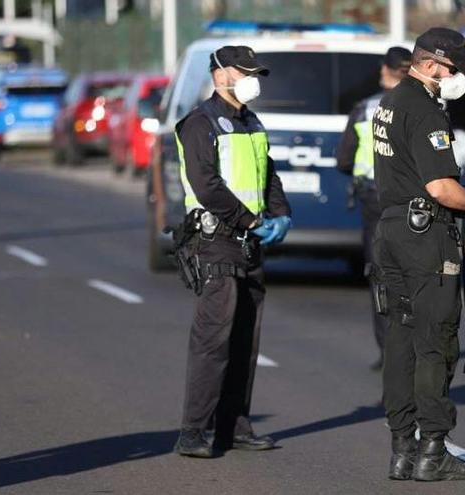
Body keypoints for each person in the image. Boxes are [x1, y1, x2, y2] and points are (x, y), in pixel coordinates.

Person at [371, 27, 465, 481]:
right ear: (430, 65)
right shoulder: (425, 110)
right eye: (453, 70)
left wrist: (464, 193)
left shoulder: (388, 103)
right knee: (435, 343)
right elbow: (441, 188)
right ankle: (433, 450)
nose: (457, 78)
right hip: (424, 238)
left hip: (391, 228)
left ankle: (402, 450)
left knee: (401, 340)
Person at [173, 45, 292, 458]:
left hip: (249, 243)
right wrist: (252, 221)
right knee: (213, 339)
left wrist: (281, 212)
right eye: (244, 71)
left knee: (245, 339)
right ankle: (193, 430)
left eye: (254, 71)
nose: (250, 79)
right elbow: (206, 185)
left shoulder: (251, 120)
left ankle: (234, 426)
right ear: (220, 73)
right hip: (216, 240)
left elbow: (267, 171)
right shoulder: (199, 123)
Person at [337, 46, 412, 371]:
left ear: (385, 71)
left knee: (381, 278)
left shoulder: (365, 109)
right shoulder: (425, 108)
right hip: (413, 205)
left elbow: (343, 159)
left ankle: (388, 351)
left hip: (375, 201)